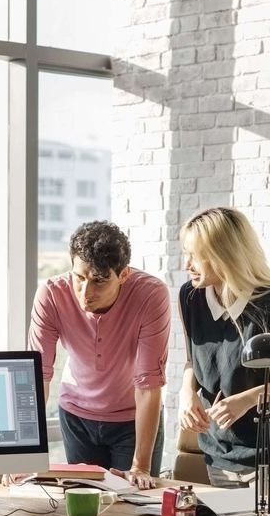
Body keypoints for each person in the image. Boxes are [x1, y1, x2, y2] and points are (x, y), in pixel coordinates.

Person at [28, 221, 171, 488]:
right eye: (79, 278)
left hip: (132, 419)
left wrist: (140, 467)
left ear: (123, 274)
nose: (86, 293)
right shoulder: (51, 294)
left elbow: (149, 383)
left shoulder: (151, 295)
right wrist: (23, 458)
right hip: (77, 416)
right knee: (81, 499)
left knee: (134, 499)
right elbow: (37, 378)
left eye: (99, 280)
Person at [178, 207, 270, 492]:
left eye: (196, 255)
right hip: (217, 454)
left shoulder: (267, 302)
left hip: (265, 456)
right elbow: (192, 360)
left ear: (225, 254)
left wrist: (248, 399)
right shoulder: (190, 296)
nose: (187, 264)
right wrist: (186, 395)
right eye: (186, 253)